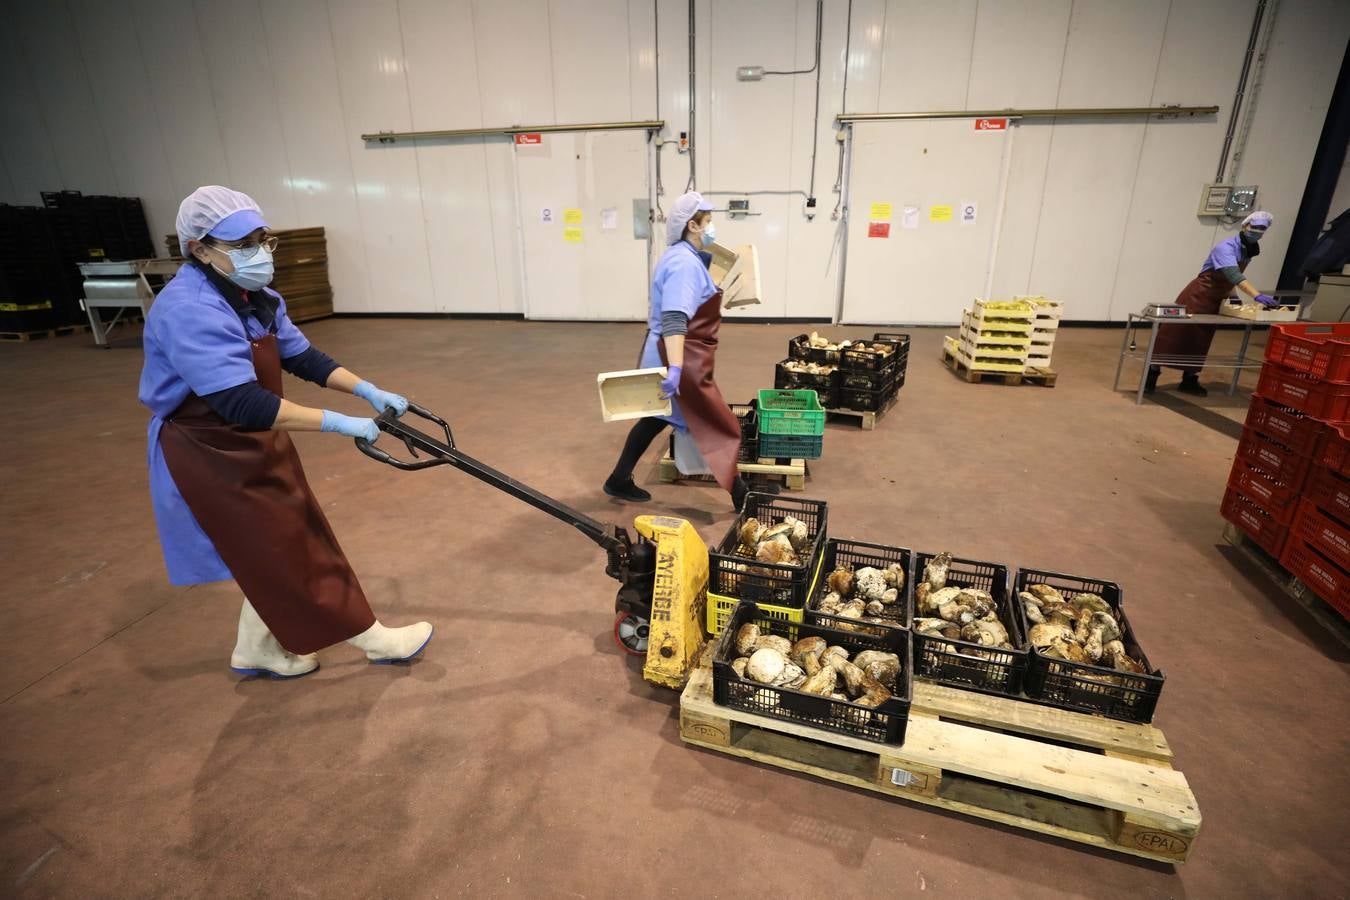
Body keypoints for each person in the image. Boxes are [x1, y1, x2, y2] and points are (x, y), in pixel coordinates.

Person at [139, 186, 433, 679]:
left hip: (256, 438)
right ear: (199, 249)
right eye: (242, 244)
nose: (258, 252)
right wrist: (338, 423)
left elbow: (301, 357)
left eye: (262, 239)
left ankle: (255, 649)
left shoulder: (253, 296)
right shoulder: (189, 309)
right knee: (287, 546)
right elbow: (241, 401)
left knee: (283, 541)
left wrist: (366, 390)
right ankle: (374, 639)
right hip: (211, 447)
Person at [602, 191, 768, 510]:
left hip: (672, 351)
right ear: (692, 225)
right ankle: (741, 494)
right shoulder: (683, 265)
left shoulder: (685, 257)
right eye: (708, 222)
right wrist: (676, 370)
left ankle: (618, 479)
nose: (712, 228)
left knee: (656, 419)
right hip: (676, 354)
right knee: (711, 421)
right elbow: (675, 319)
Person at [1147, 211, 1278, 396]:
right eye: (1254, 227)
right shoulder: (1225, 247)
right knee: (1172, 336)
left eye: (1262, 228)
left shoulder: (1248, 250)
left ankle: (1189, 380)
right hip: (1198, 295)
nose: (1257, 231)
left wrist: (1232, 295)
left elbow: (1228, 279)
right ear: (1245, 226)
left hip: (1216, 299)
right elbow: (1233, 274)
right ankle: (1151, 375)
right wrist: (1257, 295)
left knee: (1200, 340)